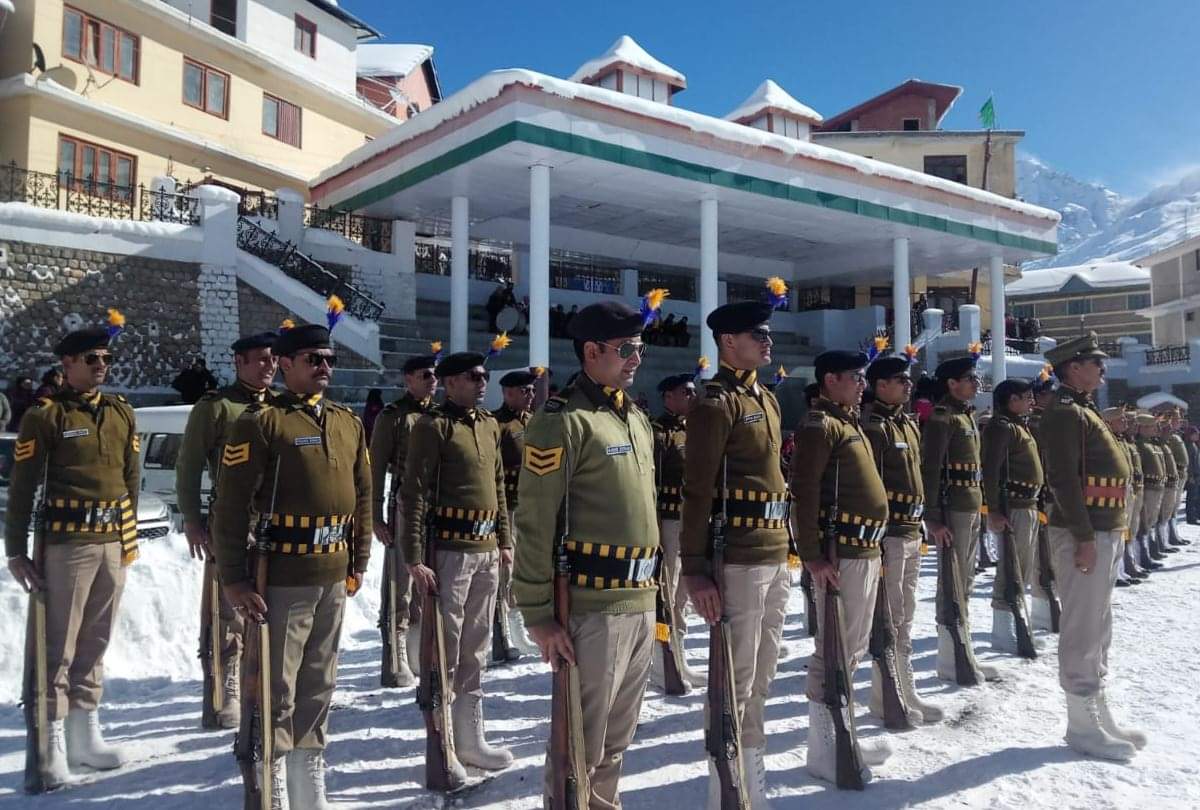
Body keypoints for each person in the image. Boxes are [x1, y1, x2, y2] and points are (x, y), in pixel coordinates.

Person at [211, 322, 373, 807]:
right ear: (284, 365)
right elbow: (230, 506)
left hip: (332, 572)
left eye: (329, 359)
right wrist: (234, 579)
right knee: (275, 685)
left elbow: (363, 496)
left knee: (319, 682)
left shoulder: (346, 422)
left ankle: (309, 779)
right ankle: (271, 774)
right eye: (312, 359)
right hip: (281, 576)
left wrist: (359, 559)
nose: (324, 367)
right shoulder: (261, 422)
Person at [512, 301, 658, 810]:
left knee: (616, 742)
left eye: (640, 347)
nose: (637, 357)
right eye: (627, 349)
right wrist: (537, 613)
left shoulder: (634, 417)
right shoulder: (563, 420)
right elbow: (534, 519)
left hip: (639, 600)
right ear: (592, 351)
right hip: (591, 608)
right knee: (579, 743)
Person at [5, 324, 139, 787]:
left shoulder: (121, 412)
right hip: (65, 544)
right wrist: (16, 551)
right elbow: (22, 489)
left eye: (105, 359)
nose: (102, 366)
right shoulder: (46, 416)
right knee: (55, 645)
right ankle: (49, 744)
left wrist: (127, 537)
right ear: (67, 365)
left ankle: (85, 732)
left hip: (109, 541)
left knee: (95, 641)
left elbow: (130, 479)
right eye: (92, 359)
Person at [681, 301, 790, 807]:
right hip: (738, 557)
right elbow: (697, 491)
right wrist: (696, 570)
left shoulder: (765, 398)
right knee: (734, 677)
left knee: (764, 671)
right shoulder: (714, 404)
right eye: (756, 334)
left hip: (772, 552)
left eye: (767, 333)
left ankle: (752, 772)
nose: (767, 341)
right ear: (728, 341)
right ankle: (722, 785)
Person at [404, 351, 513, 775]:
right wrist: (413, 556)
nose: (482, 381)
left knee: (476, 648)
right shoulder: (433, 427)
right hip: (448, 551)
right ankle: (443, 743)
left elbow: (499, 485)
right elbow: (413, 494)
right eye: (473, 376)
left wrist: (504, 539)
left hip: (486, 549)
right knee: (444, 652)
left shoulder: (488, 425)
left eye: (484, 375)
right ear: (450, 383)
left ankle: (472, 739)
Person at [1039, 332, 1145, 761]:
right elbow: (1063, 480)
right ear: (1072, 369)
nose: (1102, 369)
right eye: (1095, 363)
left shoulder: (1084, 410)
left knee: (1099, 627)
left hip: (1104, 528)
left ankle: (1098, 711)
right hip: (1084, 532)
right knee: (1083, 627)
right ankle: (1082, 724)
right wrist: (1083, 537)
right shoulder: (1064, 413)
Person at [791, 350, 893, 784]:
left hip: (864, 550)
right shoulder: (820, 425)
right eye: (855, 376)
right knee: (834, 648)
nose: (862, 384)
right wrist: (812, 555)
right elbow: (805, 493)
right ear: (830, 379)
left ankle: (843, 730)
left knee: (850, 648)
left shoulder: (848, 421)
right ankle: (825, 746)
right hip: (841, 553)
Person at [174, 331, 278, 730]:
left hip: (271, 522)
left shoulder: (279, 407)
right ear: (239, 363)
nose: (268, 366)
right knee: (226, 612)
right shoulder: (218, 407)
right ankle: (223, 690)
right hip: (231, 523)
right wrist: (193, 520)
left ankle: (260, 680)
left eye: (272, 359)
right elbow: (189, 464)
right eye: (260, 359)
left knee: (267, 604)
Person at [861, 355, 943, 725]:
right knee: (890, 619)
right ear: (880, 386)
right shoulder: (874, 427)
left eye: (908, 380)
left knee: (906, 617)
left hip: (911, 530)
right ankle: (886, 695)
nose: (909, 385)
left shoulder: (906, 426)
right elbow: (871, 486)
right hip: (890, 533)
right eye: (900, 380)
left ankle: (907, 689)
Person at [920, 356, 996, 683]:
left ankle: (962, 647)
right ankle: (951, 655)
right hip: (953, 506)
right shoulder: (942, 417)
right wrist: (933, 517)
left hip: (970, 502)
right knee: (953, 579)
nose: (975, 382)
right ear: (951, 383)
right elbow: (931, 468)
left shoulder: (965, 415)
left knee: (966, 580)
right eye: (969, 378)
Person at [369, 353, 439, 687]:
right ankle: (394, 658)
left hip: (435, 506)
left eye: (435, 375)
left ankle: (416, 654)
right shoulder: (393, 416)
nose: (432, 380)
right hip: (403, 504)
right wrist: (376, 516)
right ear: (408, 379)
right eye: (425, 375)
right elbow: (376, 468)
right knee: (400, 583)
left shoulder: (439, 415)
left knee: (427, 584)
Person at [649, 372, 705, 692]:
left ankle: (680, 656)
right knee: (666, 592)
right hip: (668, 521)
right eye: (686, 391)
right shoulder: (660, 434)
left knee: (682, 594)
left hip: (689, 520)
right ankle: (662, 658)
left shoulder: (693, 429)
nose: (692, 395)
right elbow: (653, 487)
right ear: (669, 397)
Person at [980, 378, 1044, 653]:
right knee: (1010, 569)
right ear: (1011, 400)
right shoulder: (1001, 427)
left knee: (1023, 569)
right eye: (1026, 396)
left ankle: (1017, 622)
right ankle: (1003, 631)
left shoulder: (1020, 426)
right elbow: (991, 470)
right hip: (1012, 507)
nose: (1031, 401)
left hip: (1026, 504)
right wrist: (992, 510)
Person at [490, 368, 540, 665]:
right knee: (504, 572)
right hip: (506, 505)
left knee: (524, 569)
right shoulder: (498, 424)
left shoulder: (532, 423)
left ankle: (518, 626)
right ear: (508, 393)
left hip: (528, 505)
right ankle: (502, 633)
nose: (531, 395)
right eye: (526, 391)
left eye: (532, 391)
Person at [1134, 413, 1167, 572]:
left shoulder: (1151, 444)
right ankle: (1143, 557)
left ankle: (1150, 553)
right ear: (1144, 428)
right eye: (1152, 426)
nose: (1156, 429)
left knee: (1151, 522)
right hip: (1147, 488)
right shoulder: (1140, 445)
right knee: (1143, 524)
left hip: (1156, 487)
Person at [1163, 410, 1190, 547]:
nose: (1179, 421)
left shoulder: (1176, 436)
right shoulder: (1167, 438)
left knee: (1175, 506)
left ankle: (1174, 534)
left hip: (1181, 474)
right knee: (1169, 508)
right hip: (1175, 475)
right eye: (1176, 419)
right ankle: (1168, 537)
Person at [1186, 425, 1200, 525]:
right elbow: (1189, 463)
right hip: (1193, 476)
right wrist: (1190, 476)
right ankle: (1191, 517)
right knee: (1191, 497)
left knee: (1195, 497)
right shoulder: (1188, 446)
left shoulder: (1194, 444)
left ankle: (1195, 515)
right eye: (1195, 434)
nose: (1197, 436)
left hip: (1197, 474)